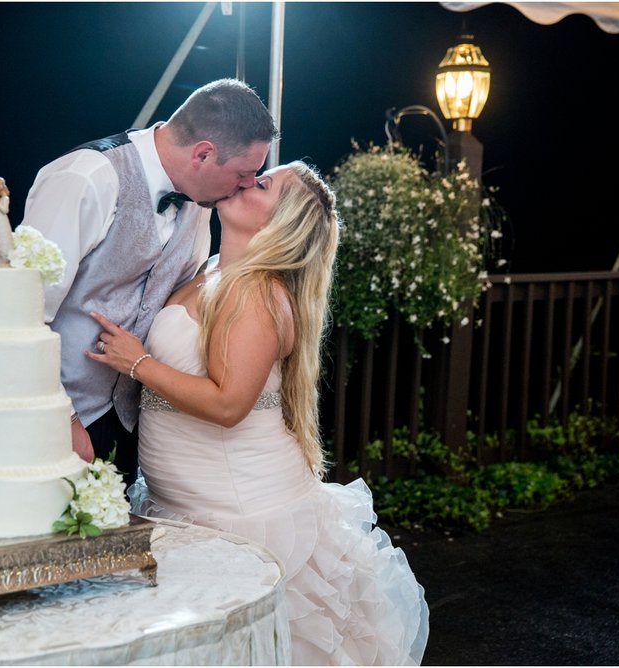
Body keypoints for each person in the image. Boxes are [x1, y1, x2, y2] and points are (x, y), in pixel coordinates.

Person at [87, 160, 430, 665]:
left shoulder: (257, 293)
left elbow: (228, 404)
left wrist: (135, 361)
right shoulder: (211, 272)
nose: (247, 180)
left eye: (262, 183)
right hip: (185, 504)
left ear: (280, 222)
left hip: (243, 513)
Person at [21, 78, 279, 488]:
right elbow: (19, 311)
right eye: (245, 174)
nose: (247, 185)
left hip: (130, 425)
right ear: (203, 154)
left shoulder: (200, 203)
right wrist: (60, 417)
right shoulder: (86, 179)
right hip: (51, 418)